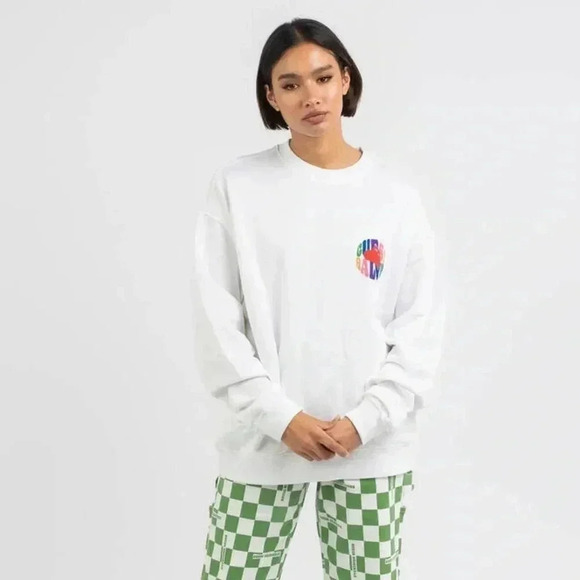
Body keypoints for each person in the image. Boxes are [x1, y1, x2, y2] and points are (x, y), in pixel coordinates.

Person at [192, 17, 446, 579]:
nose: (311, 96)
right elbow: (217, 325)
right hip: (263, 446)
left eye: (323, 77)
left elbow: (420, 326)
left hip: (372, 448)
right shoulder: (238, 187)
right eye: (291, 84)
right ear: (271, 97)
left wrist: (366, 420)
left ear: (345, 80)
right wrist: (281, 418)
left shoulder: (396, 197)